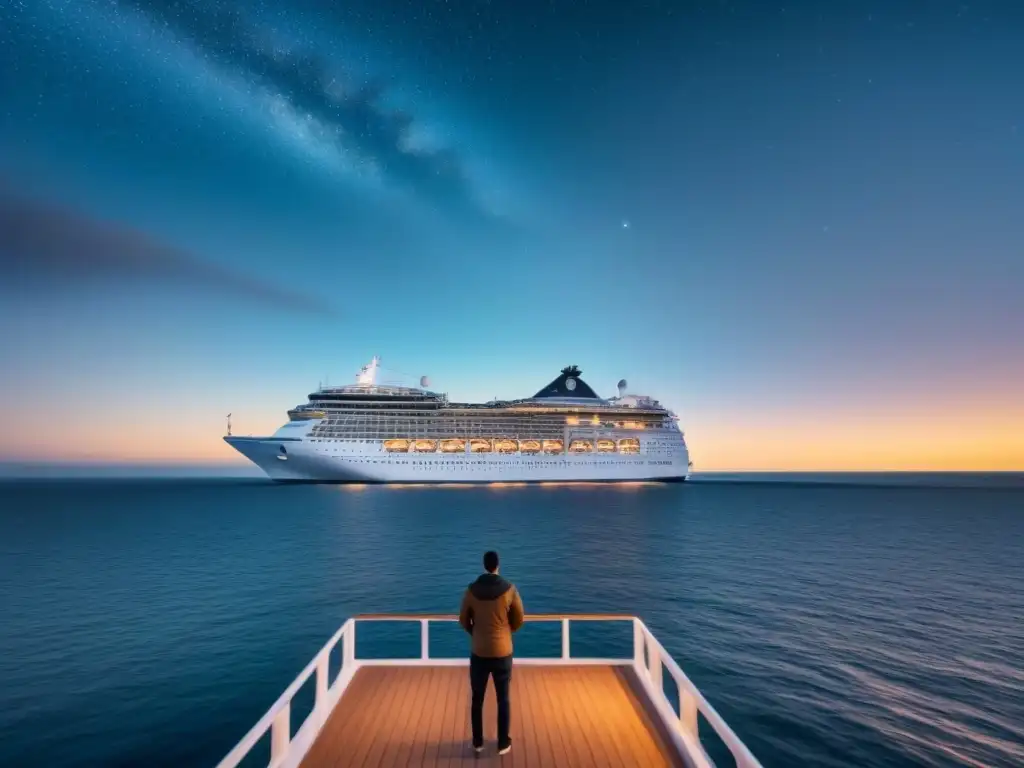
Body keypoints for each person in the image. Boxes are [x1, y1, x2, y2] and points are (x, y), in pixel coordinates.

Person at [458, 550, 525, 756]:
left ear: (484, 565)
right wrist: (506, 632)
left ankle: (478, 742)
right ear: (498, 565)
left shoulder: (471, 591)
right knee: (503, 698)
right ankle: (503, 743)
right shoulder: (510, 589)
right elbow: (519, 618)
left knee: (477, 699)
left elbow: (463, 620)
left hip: (479, 652)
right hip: (503, 652)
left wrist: (475, 632)